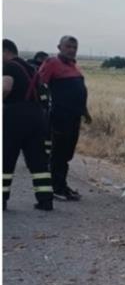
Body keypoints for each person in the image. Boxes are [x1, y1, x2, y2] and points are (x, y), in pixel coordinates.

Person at [3, 39, 54, 211]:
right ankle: (45, 200)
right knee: (38, 160)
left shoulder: (9, 66)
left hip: (15, 116)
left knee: (6, 158)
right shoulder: (31, 68)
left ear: (5, 51)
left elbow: (5, 88)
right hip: (36, 115)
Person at [38, 35, 91, 200]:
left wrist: (85, 112)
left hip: (74, 117)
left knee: (67, 153)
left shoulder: (74, 66)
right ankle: (56, 187)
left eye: (75, 47)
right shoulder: (52, 63)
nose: (72, 50)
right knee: (59, 153)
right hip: (60, 116)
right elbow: (39, 85)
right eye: (68, 46)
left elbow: (79, 92)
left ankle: (62, 184)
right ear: (59, 47)